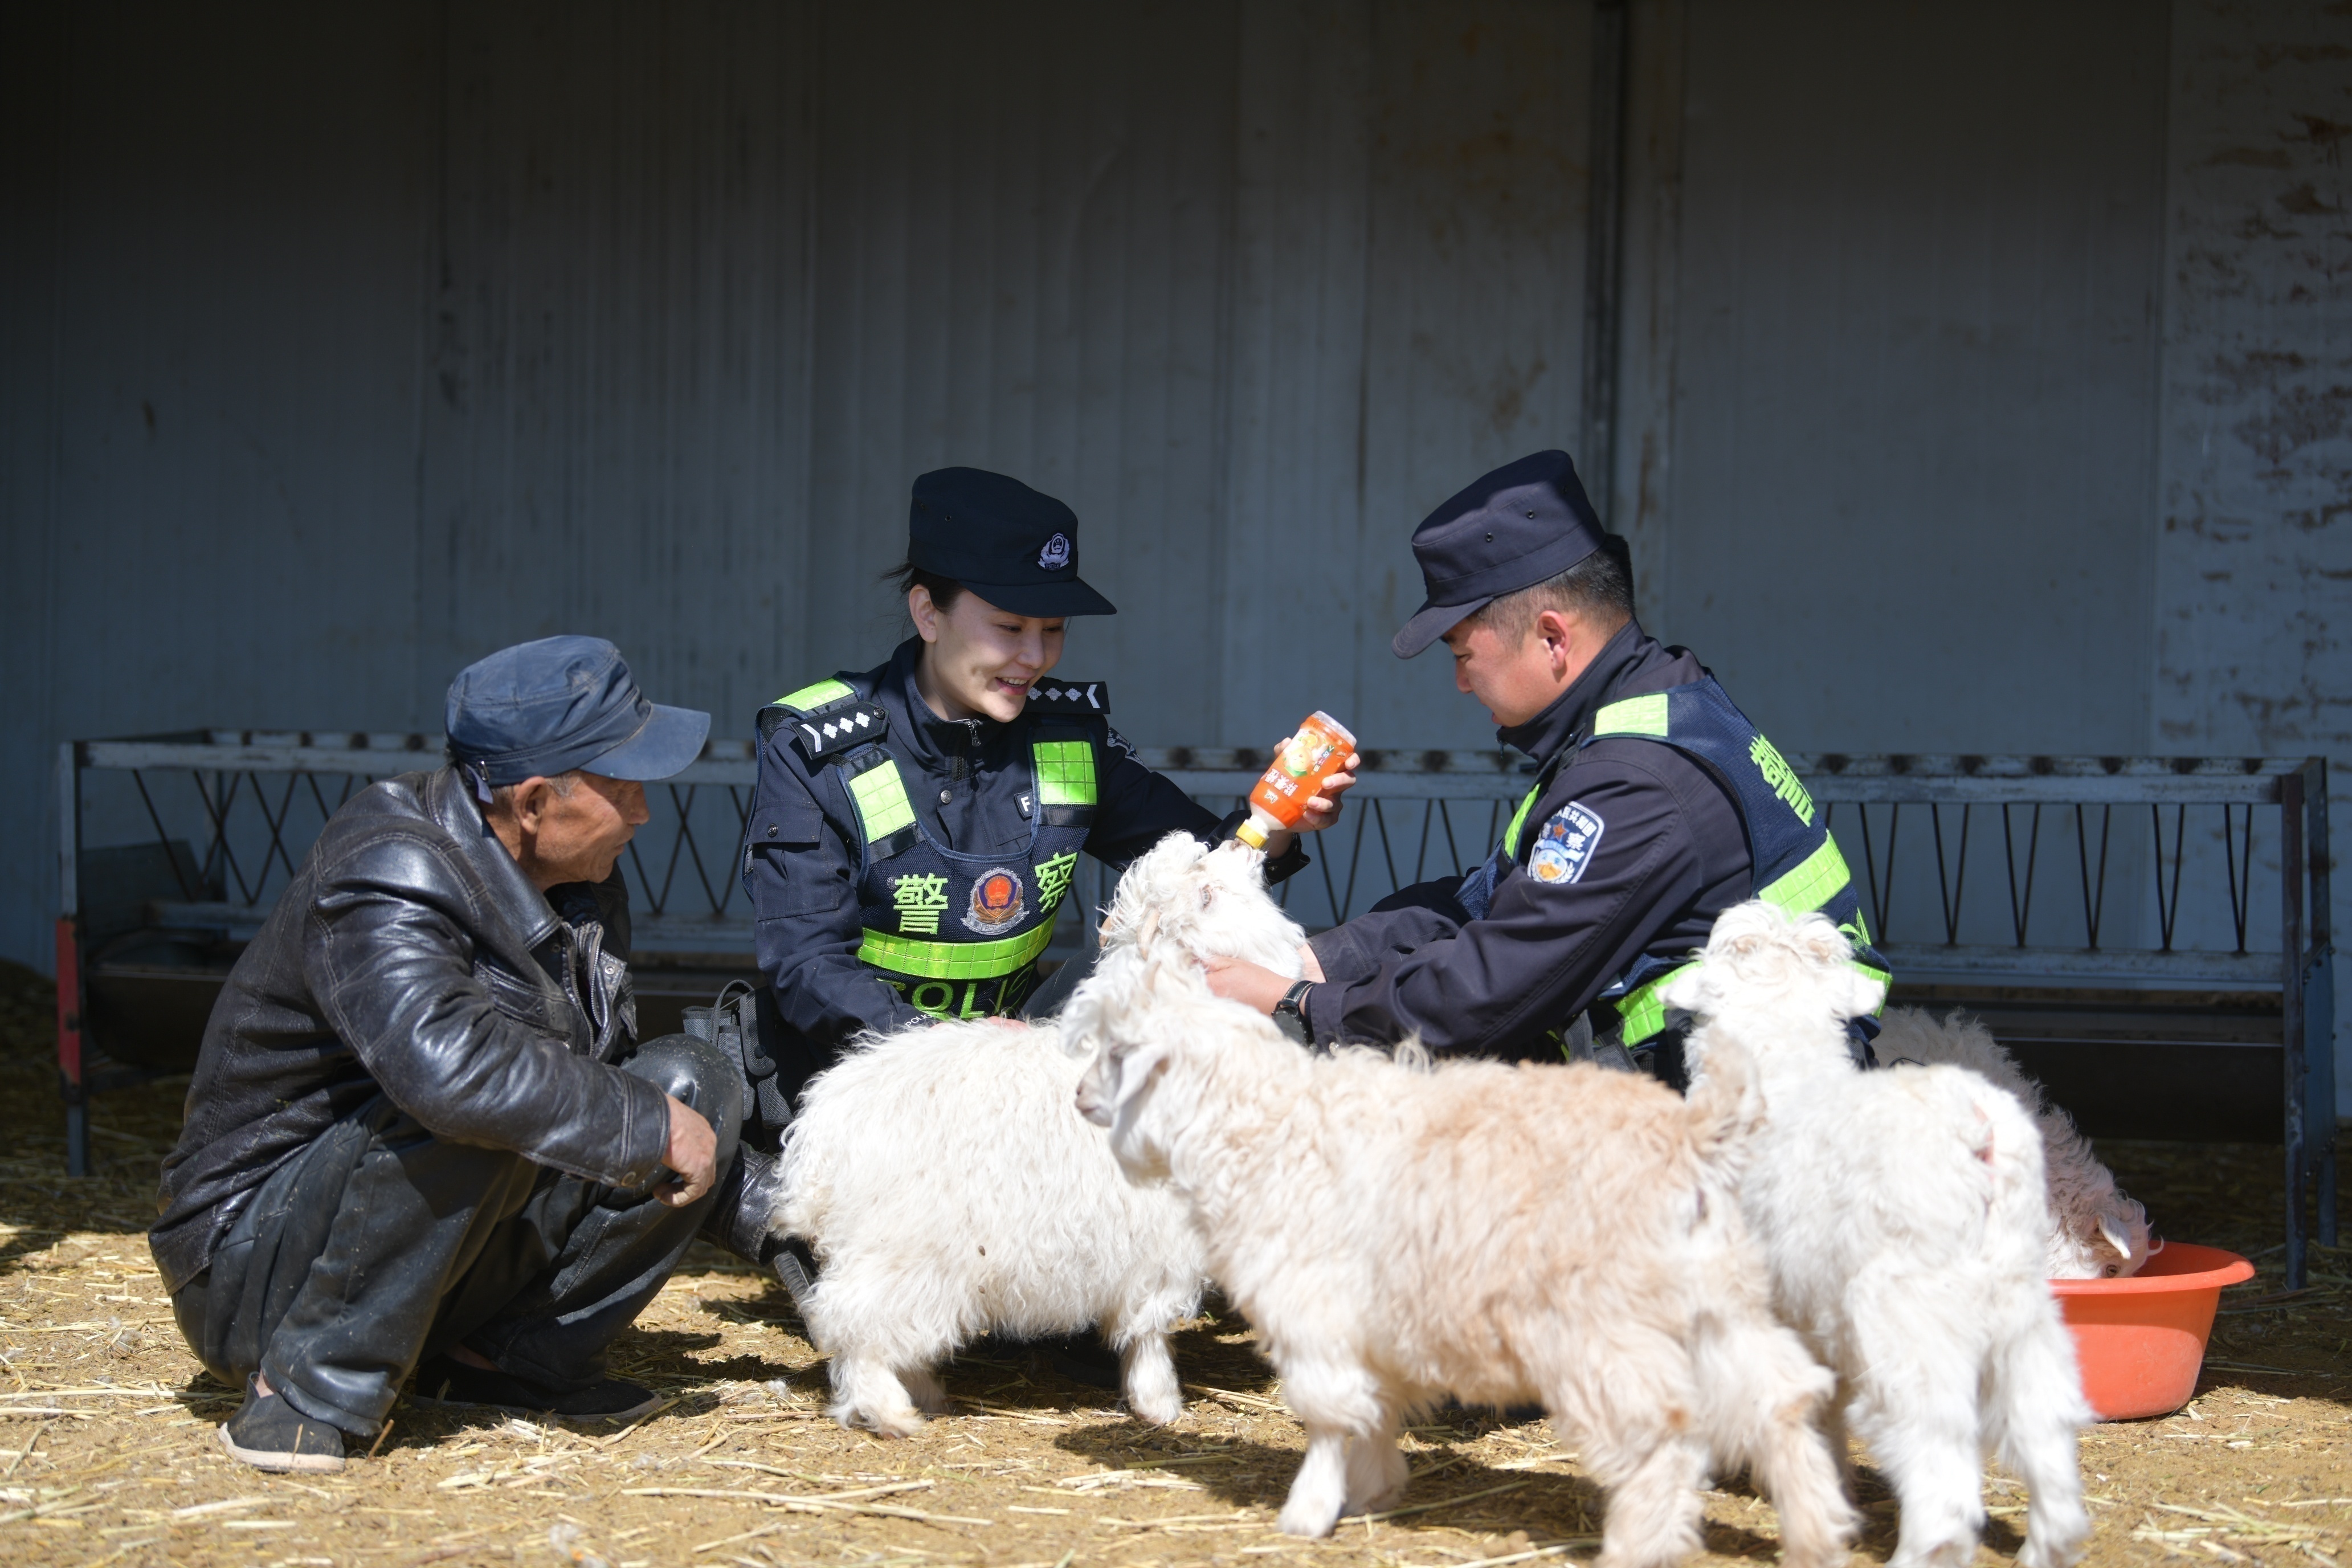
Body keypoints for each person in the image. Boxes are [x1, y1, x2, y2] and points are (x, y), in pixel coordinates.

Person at [707, 466, 1353, 1265]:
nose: (1035, 657)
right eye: (1010, 627)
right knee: (898, 1299)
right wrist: (966, 1053)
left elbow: (1196, 875)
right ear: (927, 613)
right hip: (863, 1079)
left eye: (1053, 631)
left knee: (1162, 971)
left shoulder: (1066, 738)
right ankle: (799, 1219)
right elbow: (806, 970)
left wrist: (1275, 822)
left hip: (1019, 1073)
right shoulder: (818, 749)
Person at [152, 637, 741, 1475]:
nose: (645, 812)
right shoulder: (387, 866)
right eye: (624, 787)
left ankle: (497, 1362)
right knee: (489, 1095)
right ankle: (311, 1388)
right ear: (536, 801)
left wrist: (782, 1220)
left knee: (692, 1083)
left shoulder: (575, 877)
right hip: (252, 1272)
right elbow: (451, 1074)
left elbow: (609, 1082)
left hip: (419, 1241)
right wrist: (643, 1123)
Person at [1204, 450, 1890, 1081]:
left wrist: (1297, 1003)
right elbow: (1490, 906)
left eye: (1462, 656)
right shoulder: (1655, 708)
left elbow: (1486, 994)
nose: (1462, 685)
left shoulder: (1638, 779)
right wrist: (1320, 962)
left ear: (1553, 637)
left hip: (1727, 1136)